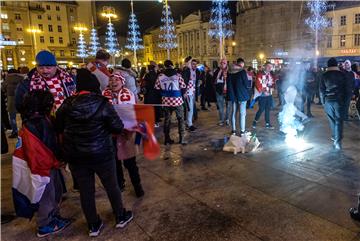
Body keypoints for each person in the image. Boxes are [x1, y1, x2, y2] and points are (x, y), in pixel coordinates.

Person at [56, 69, 133, 237]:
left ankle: (93, 225)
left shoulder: (66, 104)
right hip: (102, 153)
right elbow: (117, 127)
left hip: (77, 156)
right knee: (112, 185)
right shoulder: (102, 103)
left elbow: (59, 127)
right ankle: (120, 216)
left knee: (86, 190)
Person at [20, 90, 71, 237]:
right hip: (44, 166)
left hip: (45, 163)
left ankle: (53, 217)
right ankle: (45, 224)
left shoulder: (35, 119)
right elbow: (50, 145)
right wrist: (60, 159)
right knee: (47, 196)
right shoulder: (39, 122)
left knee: (55, 192)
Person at [103, 73, 144, 198]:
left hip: (127, 133)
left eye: (116, 80)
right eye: (111, 80)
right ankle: (120, 184)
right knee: (115, 163)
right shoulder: (104, 94)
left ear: (122, 82)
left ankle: (137, 186)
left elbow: (133, 111)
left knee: (130, 162)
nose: (113, 82)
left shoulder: (129, 93)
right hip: (111, 134)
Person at [15, 51, 76, 115]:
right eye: (41, 68)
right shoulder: (26, 83)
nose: (45, 71)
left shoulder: (69, 78)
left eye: (48, 67)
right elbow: (19, 106)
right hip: (42, 122)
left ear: (56, 66)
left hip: (67, 119)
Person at [155, 60, 187, 145]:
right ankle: (182, 138)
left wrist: (164, 93)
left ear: (165, 66)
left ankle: (167, 139)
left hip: (166, 100)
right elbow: (183, 86)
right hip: (177, 100)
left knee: (167, 120)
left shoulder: (160, 76)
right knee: (181, 119)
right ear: (172, 65)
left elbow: (157, 88)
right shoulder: (177, 75)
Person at [320, 58, 347, 150]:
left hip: (328, 100)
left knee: (332, 120)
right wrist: (345, 101)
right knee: (339, 121)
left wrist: (323, 101)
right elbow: (346, 89)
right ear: (336, 65)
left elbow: (321, 90)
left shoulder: (324, 75)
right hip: (339, 100)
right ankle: (337, 142)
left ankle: (335, 137)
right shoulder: (342, 74)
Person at [227, 58, 250, 136]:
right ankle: (242, 131)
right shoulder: (242, 71)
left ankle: (233, 130)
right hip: (242, 95)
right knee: (242, 113)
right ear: (241, 64)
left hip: (234, 96)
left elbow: (229, 84)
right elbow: (246, 84)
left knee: (233, 113)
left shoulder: (229, 71)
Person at [252, 62, 277, 129]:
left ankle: (267, 123)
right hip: (262, 95)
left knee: (267, 109)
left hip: (269, 95)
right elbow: (258, 84)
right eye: (268, 66)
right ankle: (255, 121)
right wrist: (264, 91)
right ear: (265, 66)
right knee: (261, 109)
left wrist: (272, 87)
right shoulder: (260, 74)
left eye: (271, 67)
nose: (269, 68)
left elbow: (272, 83)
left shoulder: (270, 75)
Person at [4, 69, 23, 138]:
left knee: (12, 117)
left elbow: (3, 88)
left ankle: (15, 132)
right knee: (24, 116)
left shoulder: (7, 78)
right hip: (21, 98)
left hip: (11, 99)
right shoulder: (22, 78)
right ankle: (24, 131)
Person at [182, 59, 200, 132]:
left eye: (195, 64)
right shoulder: (187, 71)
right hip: (188, 92)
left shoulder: (197, 71)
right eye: (193, 64)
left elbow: (196, 80)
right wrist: (184, 92)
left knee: (190, 108)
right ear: (190, 64)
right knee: (190, 109)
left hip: (192, 91)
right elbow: (184, 82)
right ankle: (189, 125)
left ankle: (189, 123)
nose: (194, 65)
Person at [143, 62, 162, 127]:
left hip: (149, 94)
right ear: (154, 68)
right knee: (157, 107)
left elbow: (144, 85)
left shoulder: (146, 75)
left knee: (150, 107)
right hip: (156, 93)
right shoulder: (157, 75)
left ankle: (150, 120)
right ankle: (156, 121)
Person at [213, 58, 230, 126]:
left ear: (226, 64)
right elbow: (214, 80)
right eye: (222, 63)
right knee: (221, 107)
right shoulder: (217, 71)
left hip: (228, 91)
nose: (223, 64)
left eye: (224, 63)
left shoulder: (229, 71)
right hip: (219, 91)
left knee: (228, 106)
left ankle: (227, 119)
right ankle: (221, 120)